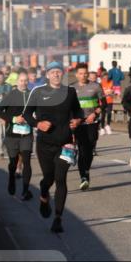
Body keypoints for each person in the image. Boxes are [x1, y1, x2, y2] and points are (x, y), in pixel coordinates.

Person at [23, 61, 83, 232]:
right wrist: (38, 124)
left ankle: (58, 218)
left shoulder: (70, 92)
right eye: (53, 72)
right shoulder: (38, 92)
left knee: (60, 178)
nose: (56, 74)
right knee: (48, 178)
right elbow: (27, 114)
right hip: (45, 144)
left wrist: (78, 120)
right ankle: (43, 196)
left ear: (62, 74)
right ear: (47, 75)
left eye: (59, 71)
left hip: (65, 143)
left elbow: (78, 111)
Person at [0, 69, 35, 200]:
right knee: (13, 163)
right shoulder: (11, 95)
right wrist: (13, 119)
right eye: (21, 81)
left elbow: (38, 112)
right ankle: (11, 179)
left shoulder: (32, 95)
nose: (24, 83)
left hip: (26, 134)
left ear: (28, 82)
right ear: (17, 82)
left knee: (27, 162)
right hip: (12, 135)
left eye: (26, 81)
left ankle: (25, 190)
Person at [69, 63, 104, 191]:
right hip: (78, 124)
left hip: (92, 122)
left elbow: (103, 104)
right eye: (81, 73)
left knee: (89, 149)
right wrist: (71, 121)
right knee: (82, 149)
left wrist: (94, 114)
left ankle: (87, 170)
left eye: (85, 73)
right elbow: (68, 107)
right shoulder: (71, 88)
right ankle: (83, 177)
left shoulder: (96, 86)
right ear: (76, 74)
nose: (83, 76)